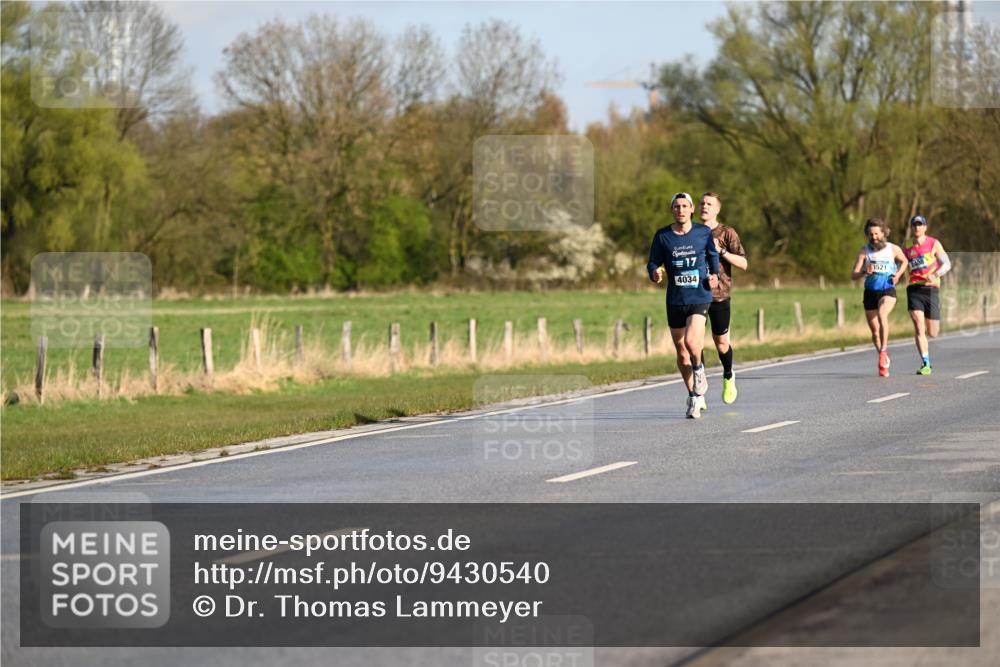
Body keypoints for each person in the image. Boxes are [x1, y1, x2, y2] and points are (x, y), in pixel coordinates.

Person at [648, 192, 721, 418]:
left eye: (684, 206)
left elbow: (712, 256)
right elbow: (653, 261)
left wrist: (715, 275)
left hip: (699, 296)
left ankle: (699, 370)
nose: (680, 210)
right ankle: (694, 396)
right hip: (675, 299)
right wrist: (654, 272)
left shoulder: (703, 232)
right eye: (676, 206)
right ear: (673, 210)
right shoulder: (663, 236)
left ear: (691, 209)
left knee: (691, 342)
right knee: (681, 353)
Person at [698, 192, 748, 404]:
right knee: (694, 344)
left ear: (717, 209)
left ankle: (728, 374)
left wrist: (723, 252)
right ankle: (698, 391)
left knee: (721, 344)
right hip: (696, 295)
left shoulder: (727, 232)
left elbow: (744, 264)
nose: (704, 206)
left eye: (709, 204)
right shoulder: (693, 232)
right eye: (701, 203)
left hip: (720, 296)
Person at [851, 218, 907, 377]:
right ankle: (883, 357)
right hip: (870, 293)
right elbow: (853, 275)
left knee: (883, 315)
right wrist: (864, 272)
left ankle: (883, 352)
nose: (874, 237)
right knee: (875, 332)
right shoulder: (864, 251)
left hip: (887, 290)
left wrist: (898, 275)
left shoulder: (892, 249)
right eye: (870, 234)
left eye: (876, 233)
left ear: (883, 233)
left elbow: (904, 261)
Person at [904, 215, 951, 375]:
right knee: (918, 325)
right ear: (911, 228)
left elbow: (947, 264)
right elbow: (901, 263)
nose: (917, 227)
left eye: (920, 224)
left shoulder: (934, 243)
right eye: (914, 225)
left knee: (933, 332)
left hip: (931, 290)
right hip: (914, 289)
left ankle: (937, 315)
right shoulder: (907, 246)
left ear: (925, 227)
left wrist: (936, 274)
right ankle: (926, 363)